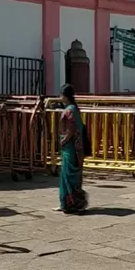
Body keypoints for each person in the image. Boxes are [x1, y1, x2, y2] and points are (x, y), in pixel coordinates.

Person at [57, 85, 89, 214]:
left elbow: (71, 129)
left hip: (70, 147)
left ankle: (69, 203)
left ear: (65, 96)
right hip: (77, 148)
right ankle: (67, 203)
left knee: (67, 174)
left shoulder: (69, 110)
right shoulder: (75, 109)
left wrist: (63, 140)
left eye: (61, 95)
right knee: (71, 174)